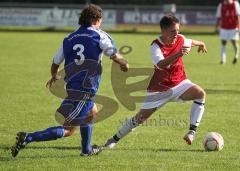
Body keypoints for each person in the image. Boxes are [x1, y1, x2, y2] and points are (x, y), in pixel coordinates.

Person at [11, 4, 129, 157]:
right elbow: (112, 54)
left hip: (73, 87)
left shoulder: (69, 38)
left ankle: (86, 150)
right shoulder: (98, 35)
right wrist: (124, 63)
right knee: (69, 129)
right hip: (86, 89)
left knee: (91, 113)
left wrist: (54, 75)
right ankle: (28, 137)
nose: (101, 23)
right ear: (95, 20)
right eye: (100, 20)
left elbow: (55, 63)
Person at [104, 15, 207, 149]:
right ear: (163, 31)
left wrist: (202, 44)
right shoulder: (155, 46)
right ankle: (113, 139)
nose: (176, 33)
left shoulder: (181, 39)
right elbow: (161, 64)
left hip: (180, 83)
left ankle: (192, 132)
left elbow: (191, 41)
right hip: (159, 89)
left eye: (178, 30)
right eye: (173, 31)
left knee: (200, 93)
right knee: (140, 118)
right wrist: (178, 54)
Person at [215, 0, 240, 64]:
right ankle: (223, 60)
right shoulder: (221, 5)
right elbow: (218, 17)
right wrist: (216, 27)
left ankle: (236, 56)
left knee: (234, 42)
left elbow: (238, 16)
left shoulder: (235, 4)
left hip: (233, 27)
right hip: (224, 27)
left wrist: (239, 27)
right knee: (223, 43)